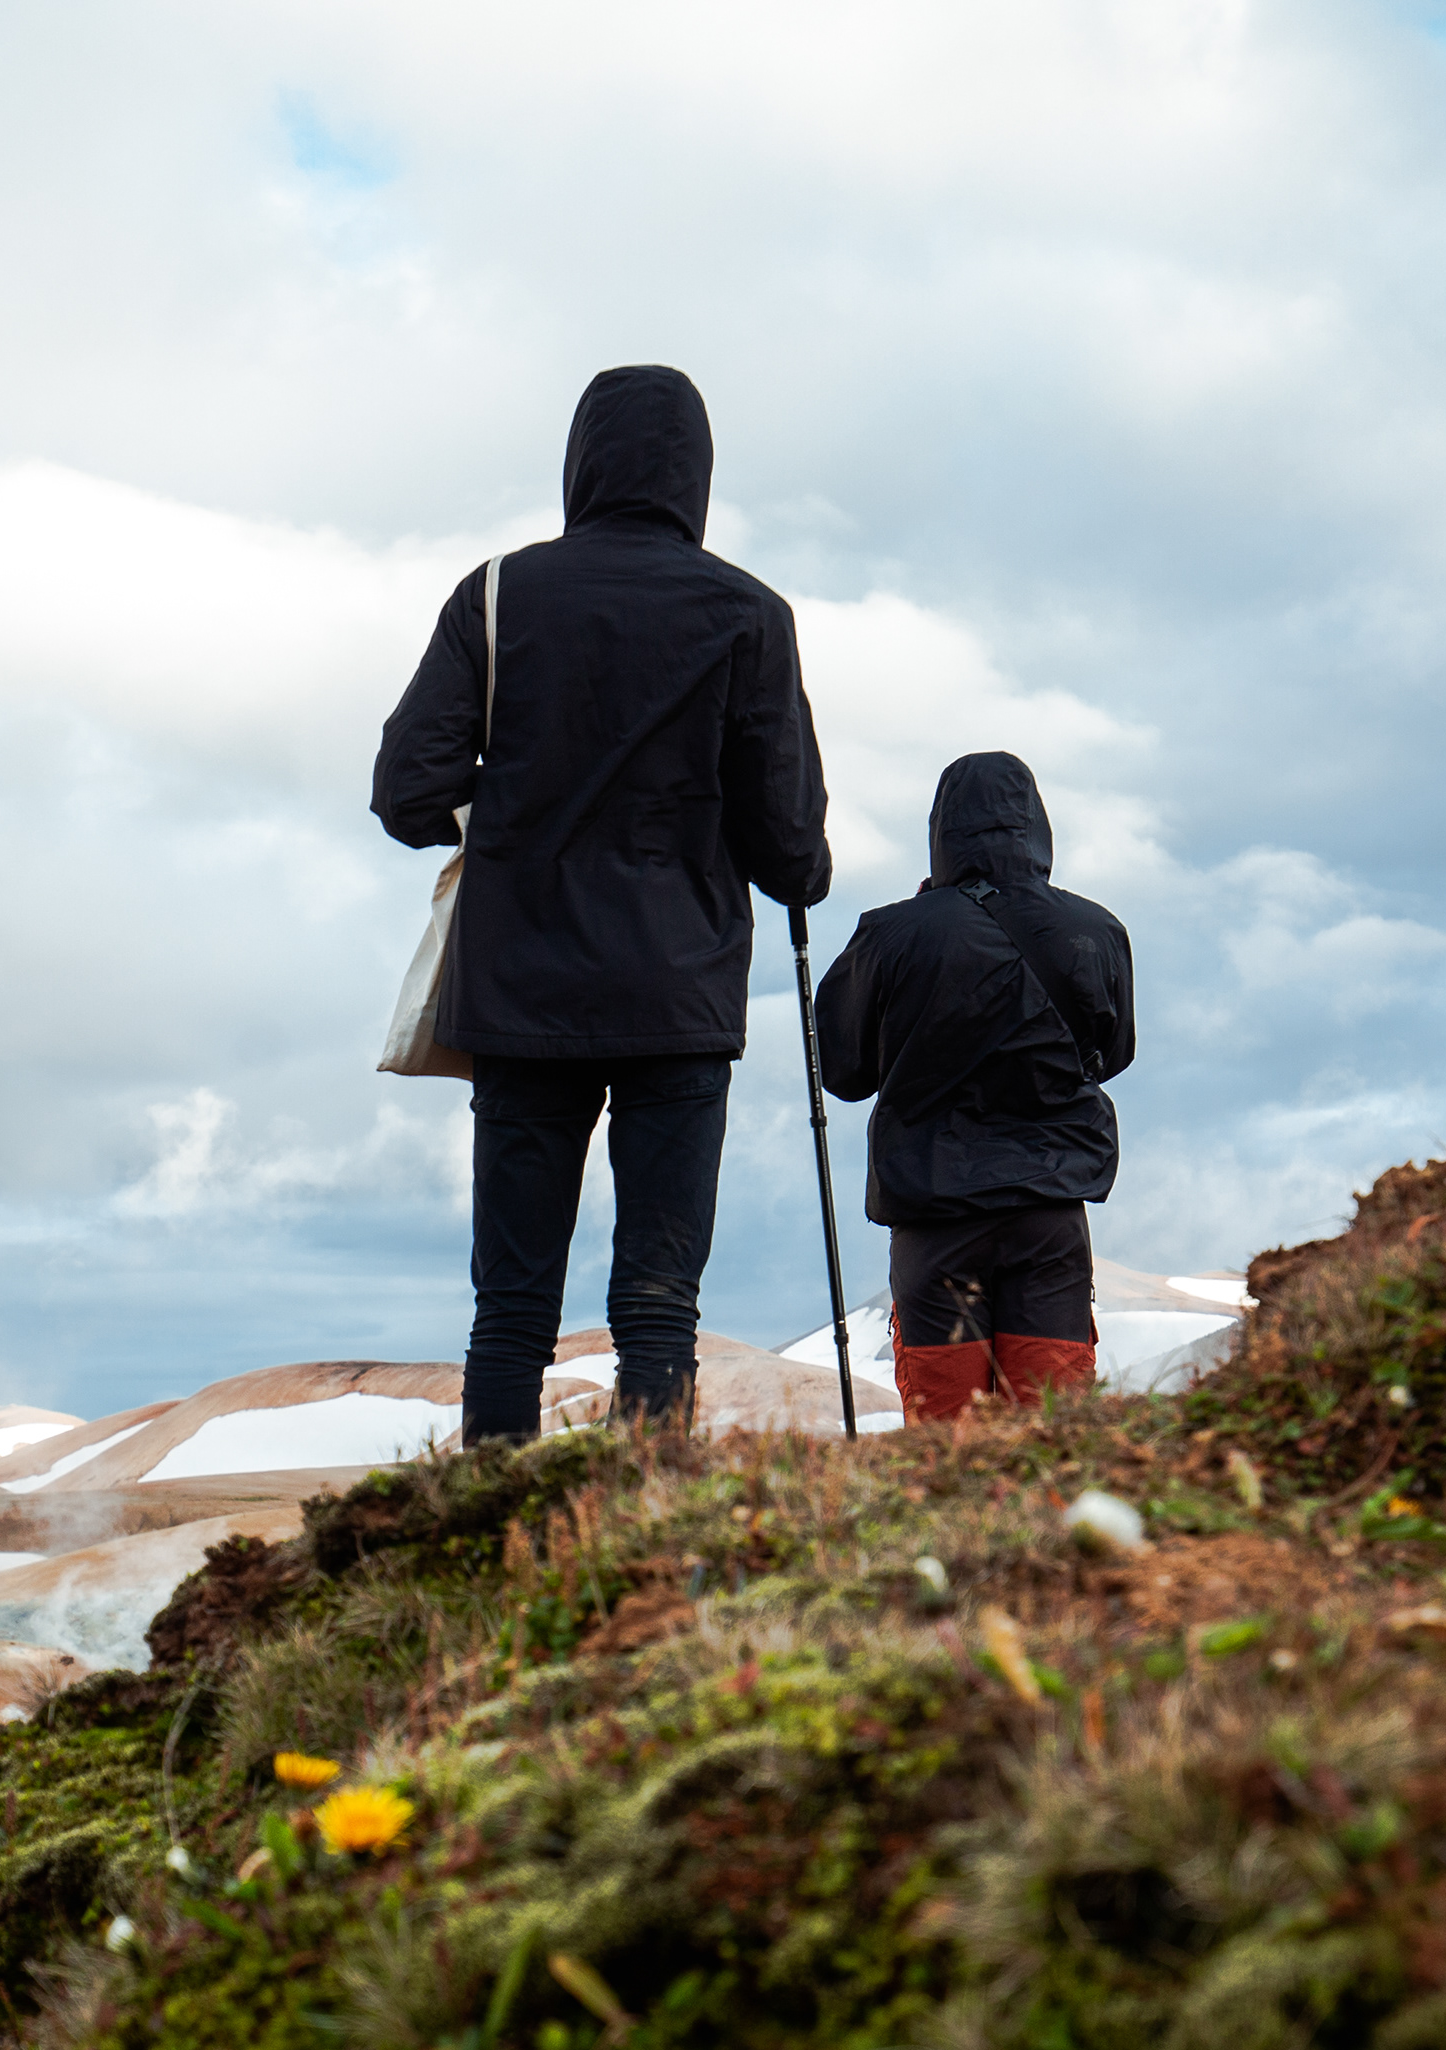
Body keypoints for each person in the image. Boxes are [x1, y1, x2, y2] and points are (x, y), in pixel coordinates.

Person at [370, 366, 833, 1445]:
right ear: (698, 472)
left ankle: (491, 1515)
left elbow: (405, 792)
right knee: (661, 1305)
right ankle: (644, 1518)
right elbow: (793, 852)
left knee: (511, 1304)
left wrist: (508, 808)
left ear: (579, 461)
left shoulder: (497, 595)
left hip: (522, 994)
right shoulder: (749, 614)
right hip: (680, 993)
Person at [813, 751, 1134, 1421]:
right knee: (1051, 1428)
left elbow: (844, 1074)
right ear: (1037, 825)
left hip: (934, 1216)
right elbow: (1112, 1055)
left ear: (942, 831)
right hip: (1049, 1211)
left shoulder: (889, 934)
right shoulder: (1097, 931)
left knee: (946, 1433)